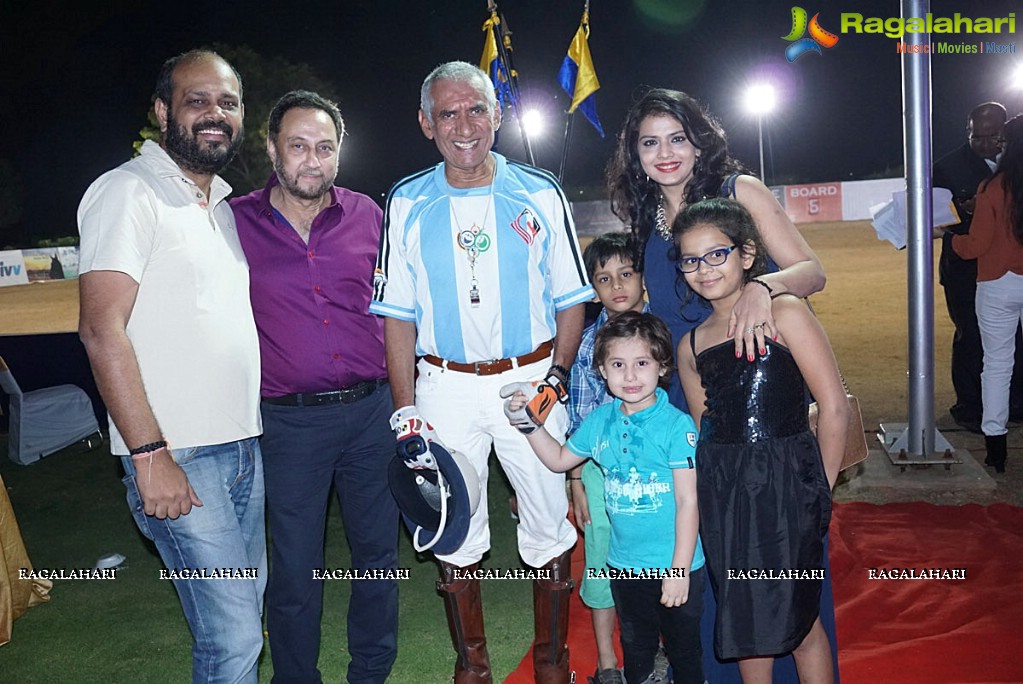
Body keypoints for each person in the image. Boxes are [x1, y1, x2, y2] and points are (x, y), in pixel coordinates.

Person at [369, 61, 593, 684]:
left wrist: (558, 378)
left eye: (476, 109)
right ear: (425, 123)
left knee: (550, 525)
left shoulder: (539, 191)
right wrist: (405, 406)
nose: (463, 125)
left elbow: (572, 298)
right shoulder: (408, 200)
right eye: (447, 113)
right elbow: (397, 316)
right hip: (444, 386)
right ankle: (473, 665)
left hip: (530, 382)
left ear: (497, 115)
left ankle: (552, 662)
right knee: (452, 525)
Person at [604, 87, 838, 682]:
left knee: (785, 562)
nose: (665, 153)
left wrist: (766, 287)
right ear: (635, 153)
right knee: (714, 553)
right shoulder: (645, 219)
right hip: (688, 392)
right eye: (649, 142)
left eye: (676, 138)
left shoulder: (740, 190)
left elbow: (811, 271)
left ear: (698, 138)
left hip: (757, 375)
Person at [77, 50, 265, 683]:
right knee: (233, 637)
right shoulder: (125, 191)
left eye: (229, 103)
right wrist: (150, 454)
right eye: (197, 101)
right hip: (179, 456)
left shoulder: (221, 207)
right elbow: (102, 330)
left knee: (242, 622)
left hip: (241, 448)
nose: (216, 114)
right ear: (162, 111)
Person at [231, 90, 398, 683]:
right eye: (298, 146)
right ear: (272, 148)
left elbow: (399, 310)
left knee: (378, 557)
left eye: (324, 148)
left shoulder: (370, 216)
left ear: (339, 153)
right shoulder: (234, 222)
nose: (312, 160)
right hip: (289, 424)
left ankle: (371, 672)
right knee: (295, 567)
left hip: (372, 414)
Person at [675, 198, 846, 684]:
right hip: (726, 497)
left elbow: (832, 407)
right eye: (690, 260)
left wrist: (820, 493)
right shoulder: (692, 344)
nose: (703, 270)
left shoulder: (786, 313)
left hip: (788, 488)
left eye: (716, 255)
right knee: (745, 621)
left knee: (800, 619)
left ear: (747, 253)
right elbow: (703, 426)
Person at [508, 311, 705, 684]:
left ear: (662, 366)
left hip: (677, 566)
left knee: (684, 652)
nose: (630, 376)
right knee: (636, 648)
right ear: (601, 368)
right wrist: (528, 424)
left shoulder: (676, 426)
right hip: (625, 566)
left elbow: (687, 502)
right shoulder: (600, 421)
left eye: (642, 363)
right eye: (618, 364)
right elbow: (559, 460)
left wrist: (679, 571)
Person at [565, 232, 661, 684]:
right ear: (592, 288)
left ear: (642, 276)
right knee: (602, 561)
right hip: (602, 475)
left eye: (626, 273)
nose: (618, 286)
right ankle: (606, 662)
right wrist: (577, 480)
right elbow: (577, 418)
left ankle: (660, 650)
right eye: (604, 279)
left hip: (660, 472)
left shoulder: (663, 332)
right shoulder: (587, 346)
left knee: (659, 558)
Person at [933, 102, 1023, 433]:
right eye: (976, 136)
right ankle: (970, 406)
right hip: (966, 270)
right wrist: (967, 211)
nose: (985, 143)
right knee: (971, 336)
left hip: (1011, 267)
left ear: (1005, 133)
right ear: (967, 132)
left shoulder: (1016, 159)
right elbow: (936, 216)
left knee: (1016, 339)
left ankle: (1014, 403)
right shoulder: (946, 167)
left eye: (993, 136)